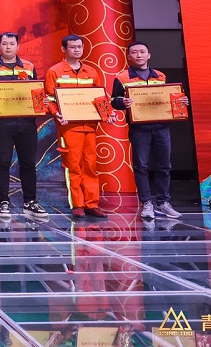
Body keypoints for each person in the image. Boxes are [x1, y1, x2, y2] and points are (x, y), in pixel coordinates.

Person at [0, 32, 50, 222]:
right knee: (2, 162)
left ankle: (30, 202)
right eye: (4, 43)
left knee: (28, 163)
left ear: (18, 46)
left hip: (27, 122)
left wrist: (42, 101)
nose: (8, 47)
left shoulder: (29, 66)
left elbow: (36, 90)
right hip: (3, 123)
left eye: (12, 43)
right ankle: (3, 201)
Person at [111, 41, 187, 221]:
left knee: (164, 166)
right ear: (129, 56)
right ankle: (146, 203)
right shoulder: (122, 77)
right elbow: (114, 100)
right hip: (139, 128)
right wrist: (122, 102)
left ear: (149, 55)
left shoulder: (160, 75)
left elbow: (169, 97)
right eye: (134, 52)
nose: (139, 55)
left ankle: (163, 202)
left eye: (142, 52)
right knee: (141, 166)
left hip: (162, 127)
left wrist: (181, 102)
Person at [45, 34, 108, 220]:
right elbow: (49, 98)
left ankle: (92, 204)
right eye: (73, 47)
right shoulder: (55, 71)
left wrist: (108, 114)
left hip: (90, 126)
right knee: (73, 166)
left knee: (90, 166)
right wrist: (56, 113)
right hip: (68, 127)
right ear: (64, 49)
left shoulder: (91, 71)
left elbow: (101, 97)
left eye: (79, 46)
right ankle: (77, 204)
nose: (77, 50)